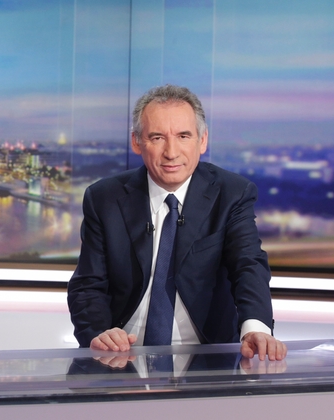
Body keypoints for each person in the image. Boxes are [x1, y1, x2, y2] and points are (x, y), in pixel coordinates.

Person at [67, 84, 286, 361]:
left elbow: (248, 264)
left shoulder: (232, 194)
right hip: (122, 355)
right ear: (137, 142)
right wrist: (100, 334)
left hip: (208, 355)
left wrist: (255, 328)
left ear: (202, 140)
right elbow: (88, 285)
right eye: (157, 137)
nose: (171, 152)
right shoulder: (104, 198)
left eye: (184, 136)